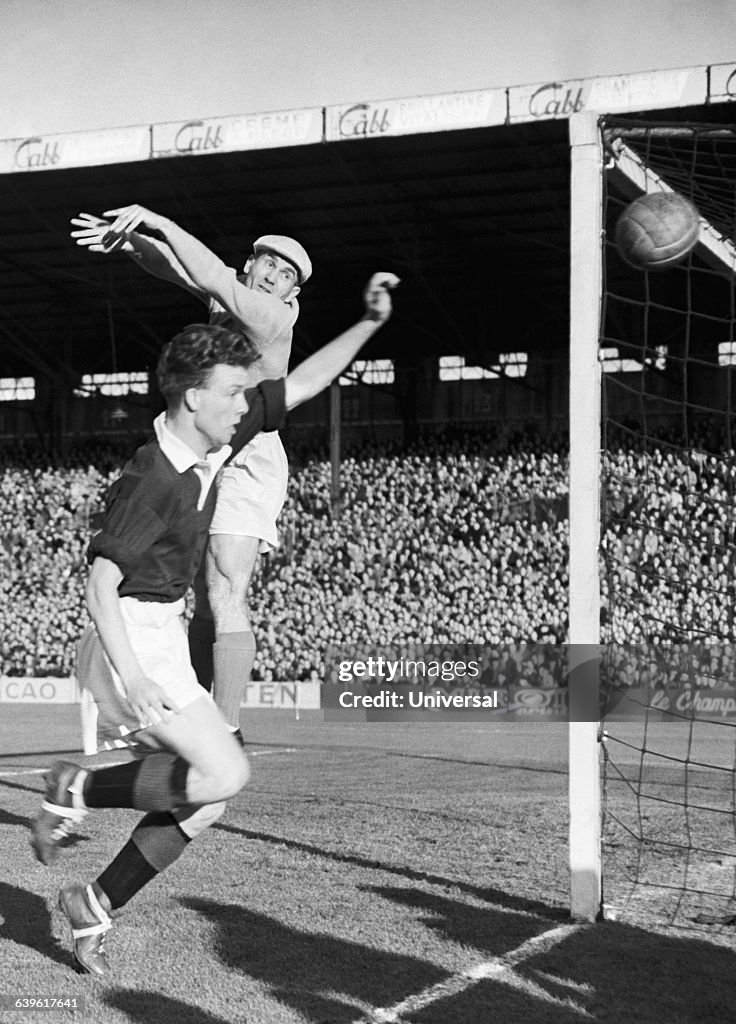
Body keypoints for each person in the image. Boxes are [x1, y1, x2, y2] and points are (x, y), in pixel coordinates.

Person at [31, 270, 399, 977]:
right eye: (234, 392)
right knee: (225, 768)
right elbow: (99, 586)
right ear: (196, 396)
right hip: (129, 642)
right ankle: (73, 785)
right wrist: (134, 676)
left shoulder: (210, 441)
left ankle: (94, 903)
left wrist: (369, 324)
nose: (246, 405)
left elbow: (301, 385)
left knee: (207, 803)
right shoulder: (154, 480)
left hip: (159, 632)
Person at [71, 206, 310, 734]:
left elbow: (208, 272)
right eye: (269, 264)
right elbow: (176, 268)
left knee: (226, 586)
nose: (273, 277)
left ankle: (225, 729)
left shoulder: (273, 315)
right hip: (204, 440)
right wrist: (133, 245)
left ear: (292, 293)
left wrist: (155, 221)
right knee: (198, 592)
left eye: (286, 275)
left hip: (250, 452)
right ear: (252, 263)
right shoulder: (225, 298)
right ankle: (198, 710)